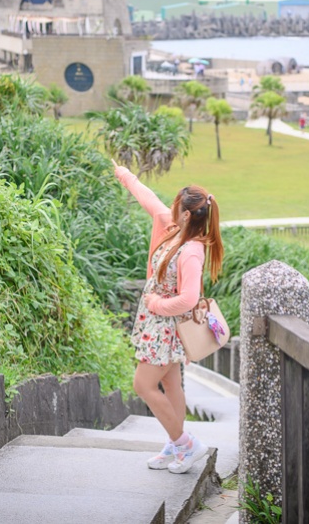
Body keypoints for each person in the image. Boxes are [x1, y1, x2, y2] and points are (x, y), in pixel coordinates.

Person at [114, 162, 223, 474]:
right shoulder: (173, 228)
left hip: (166, 326)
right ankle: (175, 446)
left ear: (187, 214)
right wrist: (124, 175)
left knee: (143, 384)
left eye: (177, 205)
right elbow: (148, 198)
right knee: (170, 383)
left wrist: (156, 303)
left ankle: (186, 444)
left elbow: (189, 298)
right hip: (157, 324)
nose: (171, 208)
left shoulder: (191, 251)